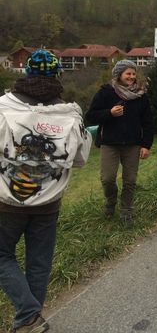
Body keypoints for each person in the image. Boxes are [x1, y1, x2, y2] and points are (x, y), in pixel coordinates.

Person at [0, 49, 91, 332]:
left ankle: (28, 314)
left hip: (7, 202)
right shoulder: (71, 114)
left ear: (26, 73)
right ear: (58, 76)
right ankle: (29, 322)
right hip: (48, 204)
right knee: (38, 265)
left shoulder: (3, 107)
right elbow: (81, 159)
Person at [86, 59, 154, 227]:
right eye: (128, 73)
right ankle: (111, 201)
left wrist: (146, 145)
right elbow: (90, 116)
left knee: (130, 181)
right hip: (110, 143)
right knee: (107, 178)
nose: (131, 76)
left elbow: (148, 122)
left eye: (133, 73)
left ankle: (126, 212)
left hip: (132, 144)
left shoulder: (141, 95)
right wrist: (109, 113)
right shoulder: (106, 92)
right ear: (119, 75)